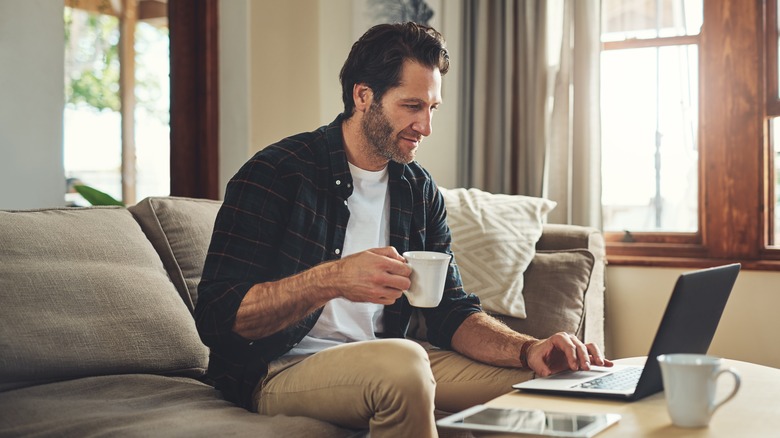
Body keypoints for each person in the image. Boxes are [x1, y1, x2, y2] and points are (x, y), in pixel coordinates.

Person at [195, 22, 611, 437]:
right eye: (412, 106)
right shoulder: (276, 173)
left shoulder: (417, 188)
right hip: (279, 369)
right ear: (363, 96)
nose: (426, 126)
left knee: (553, 384)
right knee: (404, 362)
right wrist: (333, 279)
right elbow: (217, 316)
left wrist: (529, 349)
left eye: (432, 108)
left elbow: (451, 310)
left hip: (393, 358)